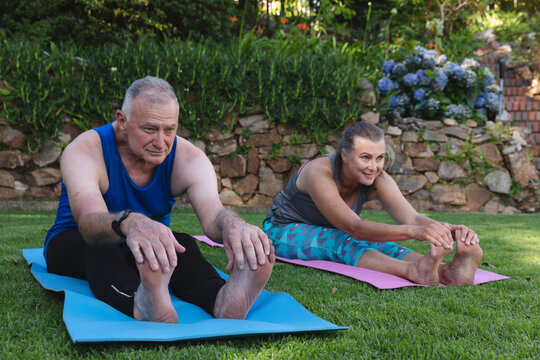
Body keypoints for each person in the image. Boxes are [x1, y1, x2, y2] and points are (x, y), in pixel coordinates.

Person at [44, 76, 274, 323]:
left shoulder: (188, 158)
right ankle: (141, 302)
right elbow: (88, 224)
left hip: (143, 248)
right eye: (149, 129)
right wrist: (130, 222)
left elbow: (213, 215)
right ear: (122, 121)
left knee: (181, 245)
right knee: (102, 250)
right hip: (74, 243)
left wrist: (233, 224)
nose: (160, 142)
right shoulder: (86, 150)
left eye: (169, 130)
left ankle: (222, 299)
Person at [263, 121, 483, 286]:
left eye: (380, 158)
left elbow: (412, 218)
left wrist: (451, 231)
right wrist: (418, 232)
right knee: (344, 240)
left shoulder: (379, 178)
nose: (374, 166)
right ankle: (414, 271)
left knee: (382, 244)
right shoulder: (318, 172)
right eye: (366, 157)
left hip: (333, 231)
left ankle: (447, 272)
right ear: (345, 156)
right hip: (282, 231)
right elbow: (354, 227)